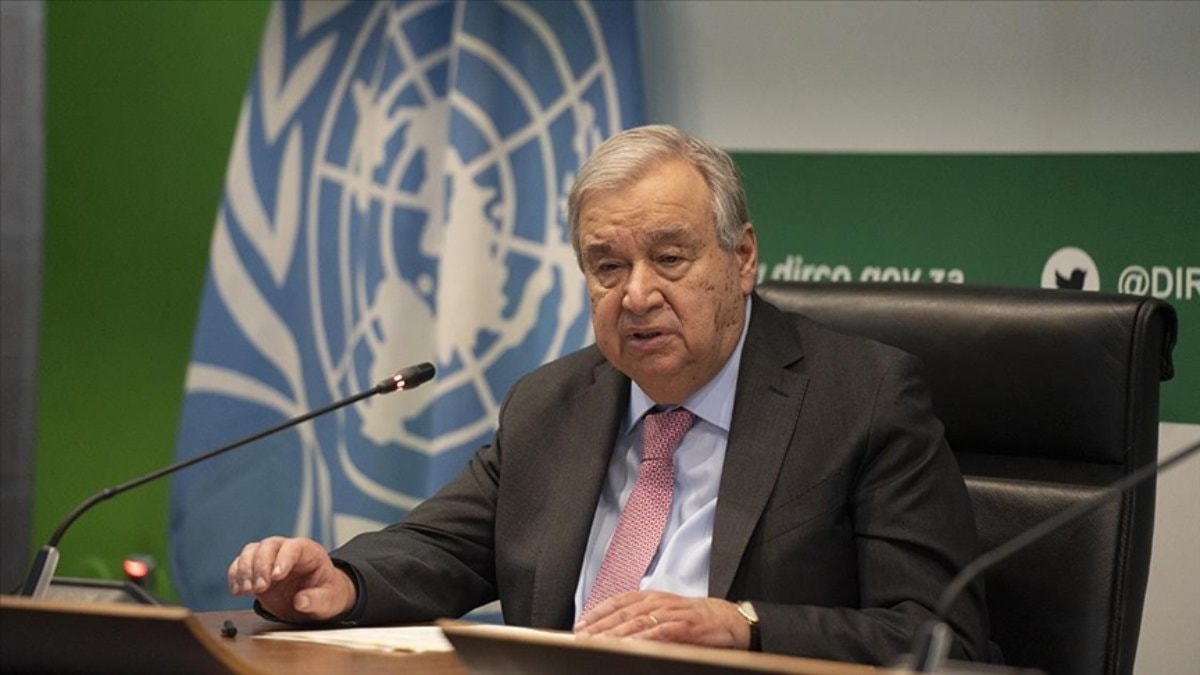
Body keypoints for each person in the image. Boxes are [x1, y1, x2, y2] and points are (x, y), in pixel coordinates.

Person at [228, 125, 992, 665]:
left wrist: (744, 625)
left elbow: (939, 635)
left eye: (669, 258)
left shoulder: (861, 397)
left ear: (743, 258)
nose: (637, 295)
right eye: (607, 266)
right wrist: (341, 581)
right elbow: (442, 547)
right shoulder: (552, 402)